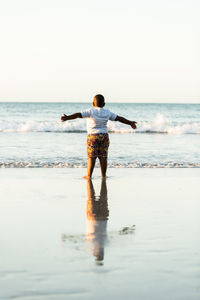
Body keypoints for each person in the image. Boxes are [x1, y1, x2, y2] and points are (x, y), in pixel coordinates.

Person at [61, 94, 137, 179]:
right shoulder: (107, 112)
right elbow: (119, 118)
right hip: (104, 136)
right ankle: (104, 176)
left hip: (92, 136)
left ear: (93, 103)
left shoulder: (90, 111)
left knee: (91, 157)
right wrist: (130, 123)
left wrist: (67, 117)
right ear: (104, 104)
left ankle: (89, 176)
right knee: (103, 157)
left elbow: (78, 115)